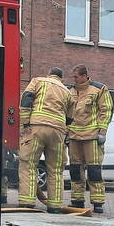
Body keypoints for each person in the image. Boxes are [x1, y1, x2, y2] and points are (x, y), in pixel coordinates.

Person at [17, 67, 71, 211]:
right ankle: (55, 205)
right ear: (61, 78)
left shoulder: (38, 81)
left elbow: (26, 101)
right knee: (56, 169)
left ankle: (27, 202)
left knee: (28, 164)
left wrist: (25, 124)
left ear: (49, 75)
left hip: (36, 127)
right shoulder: (67, 91)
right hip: (58, 132)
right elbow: (70, 117)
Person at [66, 64, 113, 213]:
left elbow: (106, 110)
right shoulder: (70, 91)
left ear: (85, 75)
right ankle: (77, 200)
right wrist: (66, 133)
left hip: (91, 136)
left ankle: (98, 202)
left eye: (76, 76)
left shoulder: (99, 89)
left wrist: (102, 132)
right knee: (75, 170)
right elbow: (65, 114)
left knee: (94, 170)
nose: (74, 79)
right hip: (74, 136)